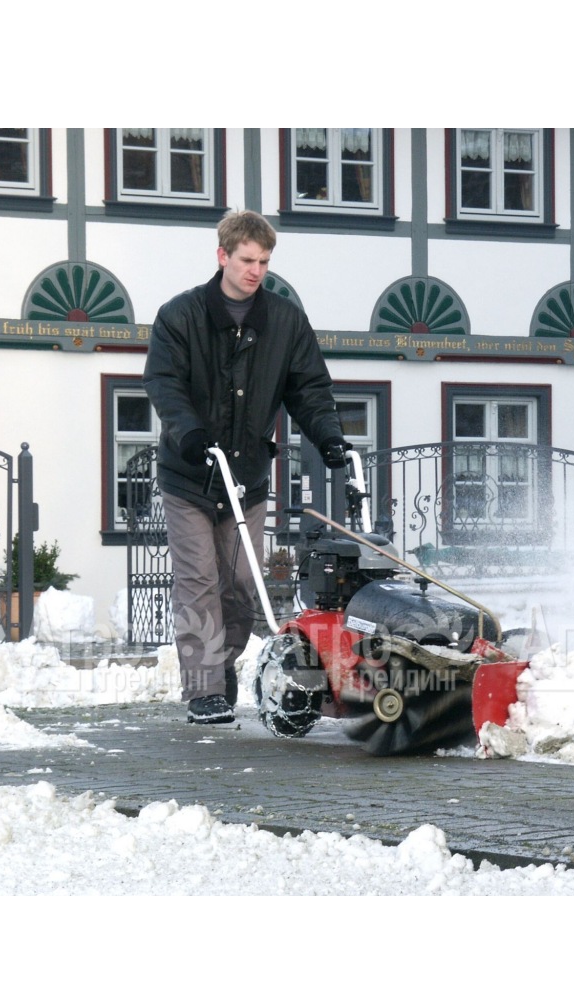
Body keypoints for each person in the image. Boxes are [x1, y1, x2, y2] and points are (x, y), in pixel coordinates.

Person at [143, 210, 347, 725]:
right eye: (247, 260)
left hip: (247, 478)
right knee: (198, 579)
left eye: (264, 262)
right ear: (223, 256)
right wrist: (189, 432)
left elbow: (309, 388)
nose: (256, 271)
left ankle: (221, 664)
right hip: (190, 474)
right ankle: (204, 689)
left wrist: (327, 435)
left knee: (239, 583)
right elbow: (164, 383)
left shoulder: (285, 320)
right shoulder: (181, 315)